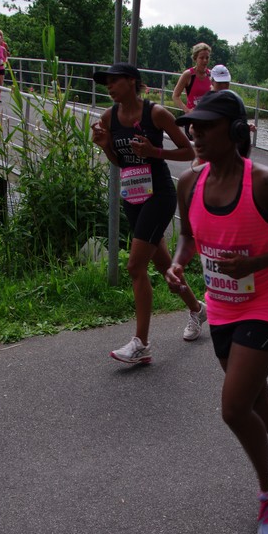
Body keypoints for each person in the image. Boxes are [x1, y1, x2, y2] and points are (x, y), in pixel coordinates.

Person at [166, 90, 268, 534]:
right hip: (222, 306)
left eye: (205, 126)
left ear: (234, 131)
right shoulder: (188, 183)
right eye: (191, 126)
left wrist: (255, 263)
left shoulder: (267, 184)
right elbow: (188, 237)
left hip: (267, 304)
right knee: (255, 398)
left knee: (234, 407)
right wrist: (178, 262)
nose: (194, 134)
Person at [89, 63, 208, 364]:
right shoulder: (109, 117)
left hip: (159, 195)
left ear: (132, 81)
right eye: (106, 82)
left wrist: (155, 152)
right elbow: (120, 162)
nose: (109, 87)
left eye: (114, 81)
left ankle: (141, 344)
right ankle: (196, 308)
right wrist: (105, 146)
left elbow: (189, 151)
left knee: (134, 266)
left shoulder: (155, 114)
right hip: (133, 195)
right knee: (163, 264)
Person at [171, 42, 211, 111]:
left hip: (208, 114)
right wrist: (187, 110)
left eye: (207, 58)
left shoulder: (211, 74)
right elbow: (175, 96)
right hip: (193, 115)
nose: (205, 60)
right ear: (195, 58)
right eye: (201, 58)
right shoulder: (188, 75)